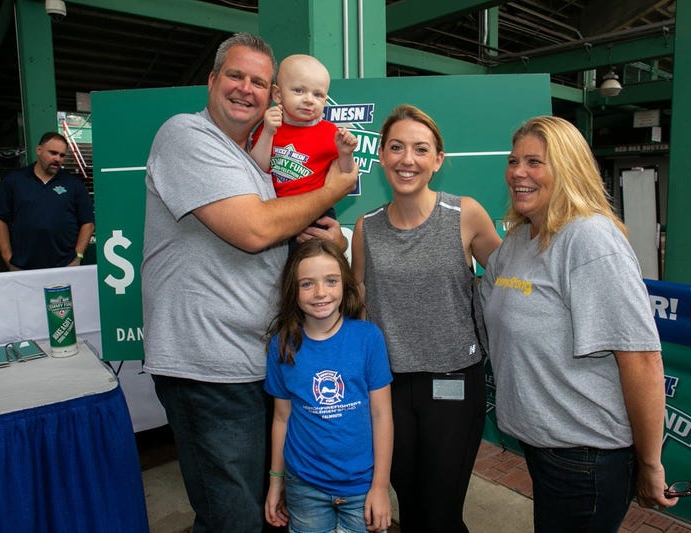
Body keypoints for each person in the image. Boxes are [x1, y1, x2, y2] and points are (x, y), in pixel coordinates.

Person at [141, 33, 358, 532]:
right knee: (233, 517)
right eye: (235, 76)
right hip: (208, 366)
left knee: (262, 510)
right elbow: (255, 229)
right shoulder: (187, 135)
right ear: (212, 80)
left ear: (270, 95)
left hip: (257, 362)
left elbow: (279, 230)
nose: (246, 89)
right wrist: (334, 189)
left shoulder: (257, 162)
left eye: (258, 81)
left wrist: (329, 241)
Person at [480, 115, 678, 532]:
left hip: (586, 457)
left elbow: (641, 359)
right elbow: (484, 304)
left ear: (568, 169)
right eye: (514, 161)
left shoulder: (590, 239)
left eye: (535, 162)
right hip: (545, 447)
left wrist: (650, 463)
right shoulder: (520, 238)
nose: (518, 172)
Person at [351, 104, 501, 532]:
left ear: (437, 159)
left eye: (420, 149)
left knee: (441, 509)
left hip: (454, 381)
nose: (407, 159)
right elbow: (359, 301)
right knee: (410, 502)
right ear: (381, 156)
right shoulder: (367, 228)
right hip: (389, 387)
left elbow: (509, 279)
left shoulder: (465, 214)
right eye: (396, 147)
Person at [264, 239, 393, 533]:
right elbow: (282, 418)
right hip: (304, 486)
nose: (320, 292)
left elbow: (382, 415)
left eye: (331, 281)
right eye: (307, 284)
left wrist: (381, 486)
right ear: (292, 291)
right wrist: (275, 482)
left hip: (362, 486)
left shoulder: (368, 338)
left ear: (344, 285)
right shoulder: (282, 345)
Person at [251, 53, 358, 228]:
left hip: (317, 214)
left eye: (318, 94)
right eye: (299, 91)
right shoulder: (269, 125)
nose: (309, 100)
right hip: (274, 209)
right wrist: (268, 132)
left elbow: (346, 177)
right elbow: (257, 169)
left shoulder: (330, 131)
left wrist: (346, 153)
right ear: (277, 94)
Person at [0, 132, 94, 270]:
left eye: (62, 155)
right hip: (23, 267)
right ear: (39, 150)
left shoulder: (74, 184)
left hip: (65, 266)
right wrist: (7, 257)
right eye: (53, 153)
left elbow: (88, 223)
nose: (57, 159)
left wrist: (78, 257)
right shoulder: (14, 181)